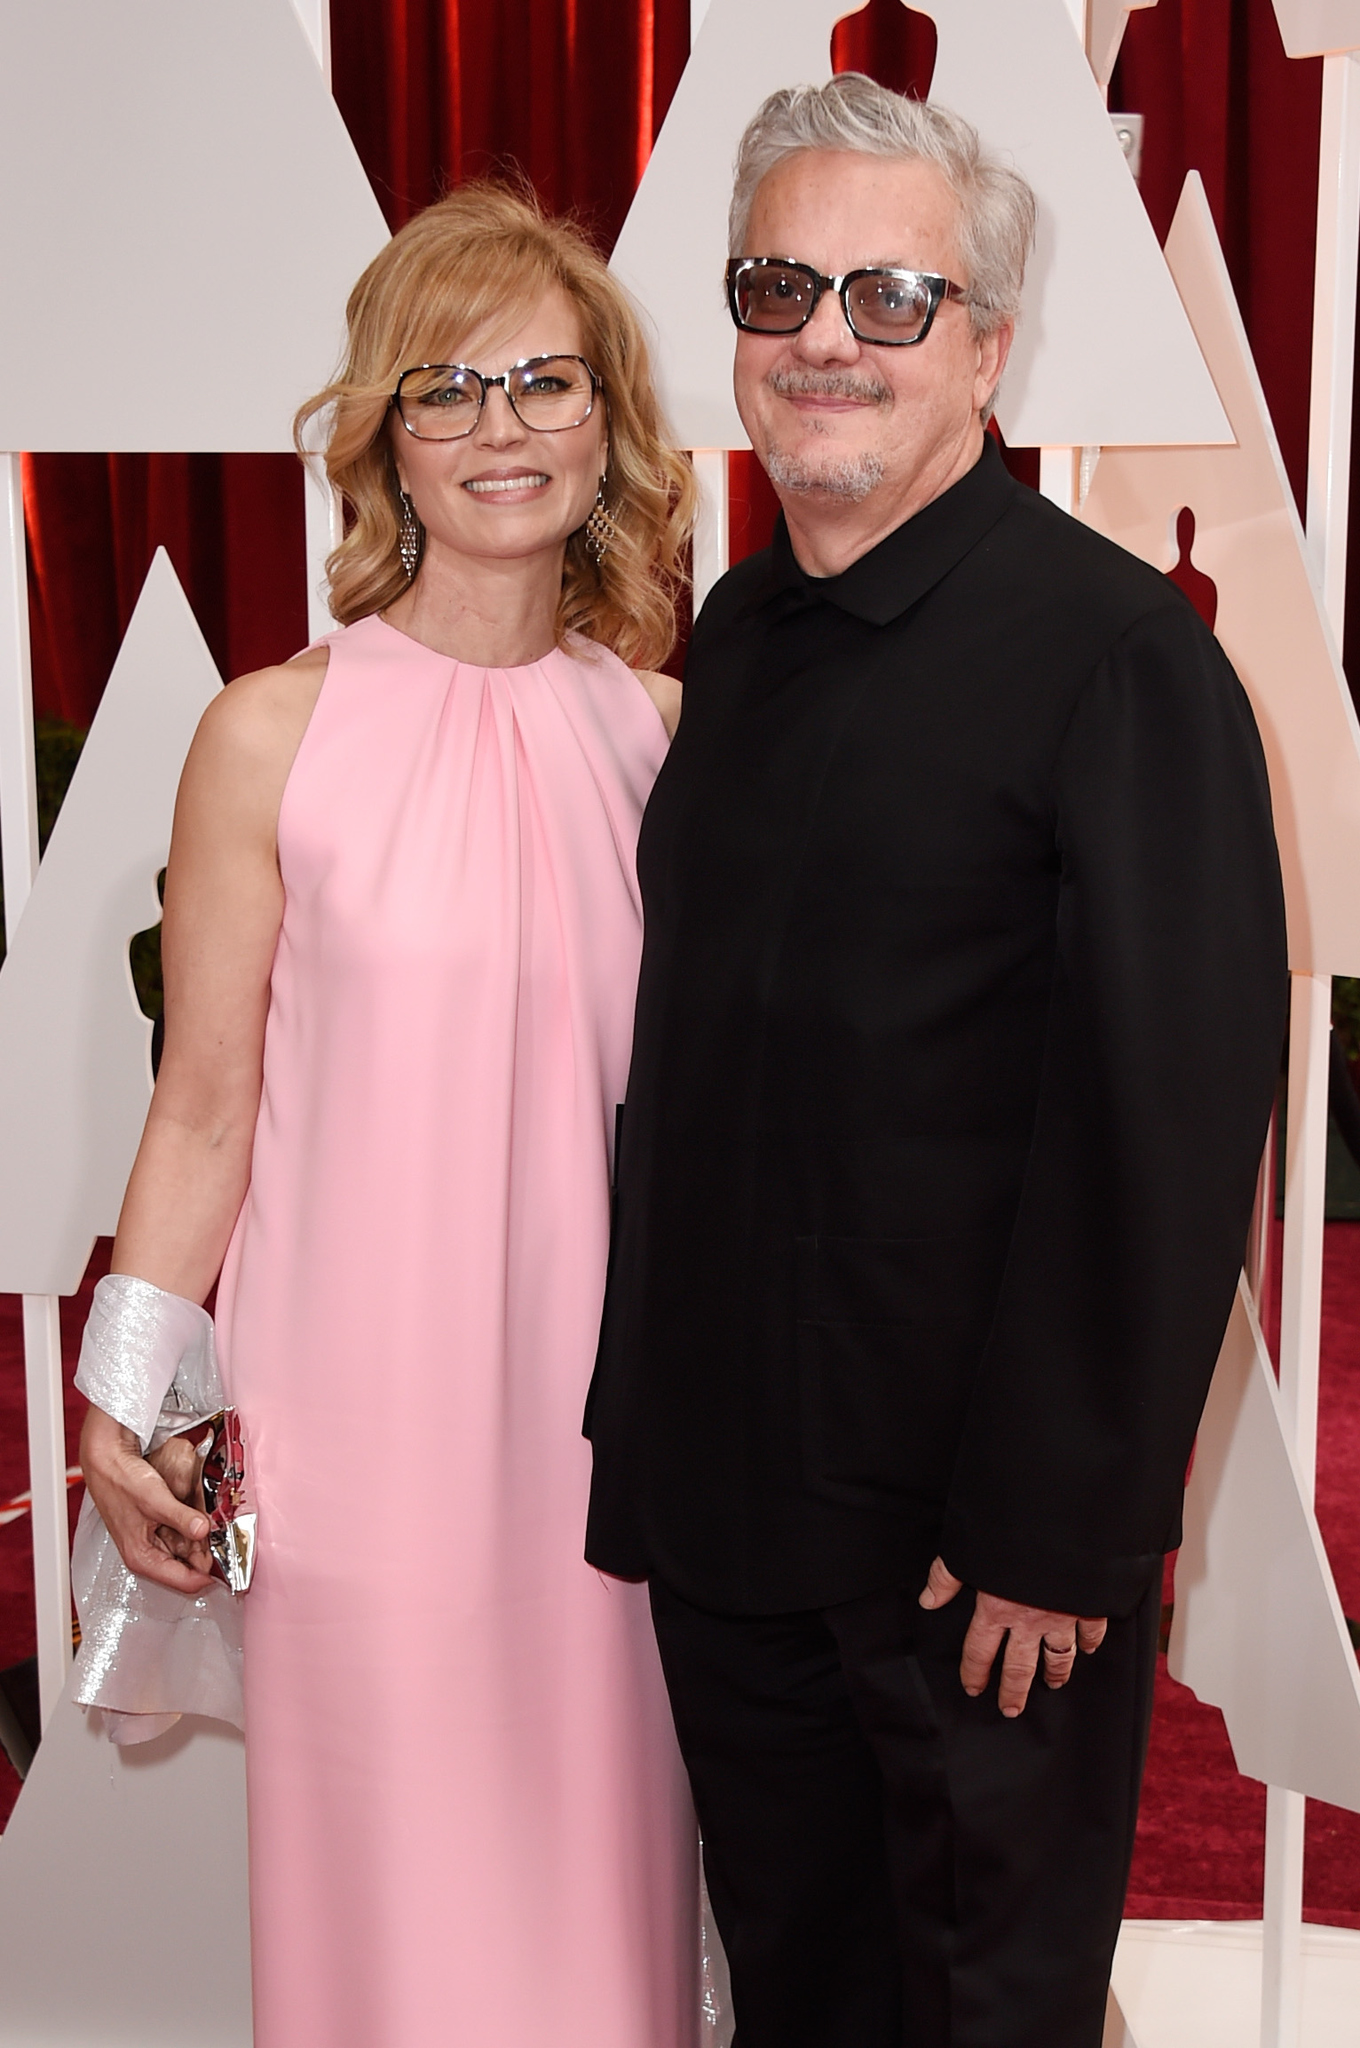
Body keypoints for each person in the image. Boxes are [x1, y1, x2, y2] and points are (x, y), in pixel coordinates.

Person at [583, 75, 1288, 2048]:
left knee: (980, 2014)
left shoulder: (1115, 658)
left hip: (967, 1564)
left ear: (983, 345)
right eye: (778, 286)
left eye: (889, 298)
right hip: (725, 1515)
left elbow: (1162, 1113)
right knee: (803, 2000)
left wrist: (1062, 1530)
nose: (824, 337)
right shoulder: (732, 637)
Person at [76, 182, 700, 2048]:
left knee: (607, 1917)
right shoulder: (273, 731)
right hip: (356, 1442)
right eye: (447, 387)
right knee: (389, 1939)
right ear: (383, 441)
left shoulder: (672, 733)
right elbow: (203, 1111)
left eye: (543, 382)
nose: (501, 426)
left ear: (609, 428)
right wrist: (125, 1404)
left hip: (618, 1449)